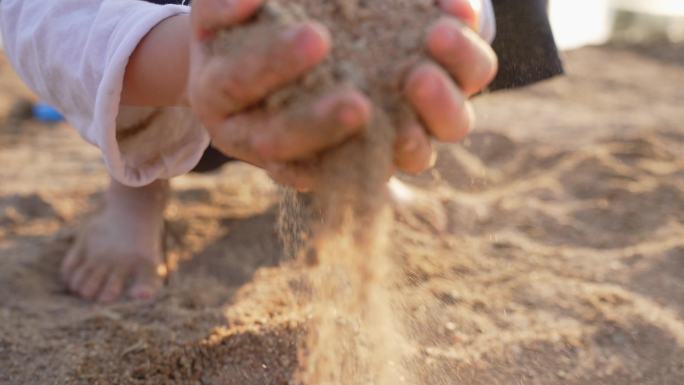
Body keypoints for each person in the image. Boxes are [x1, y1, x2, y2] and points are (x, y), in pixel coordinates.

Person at [0, 0, 561, 303]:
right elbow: (36, 13)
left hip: (343, 73)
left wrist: (437, 23)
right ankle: (137, 189)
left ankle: (360, 156)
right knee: (125, 79)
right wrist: (191, 61)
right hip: (170, 75)